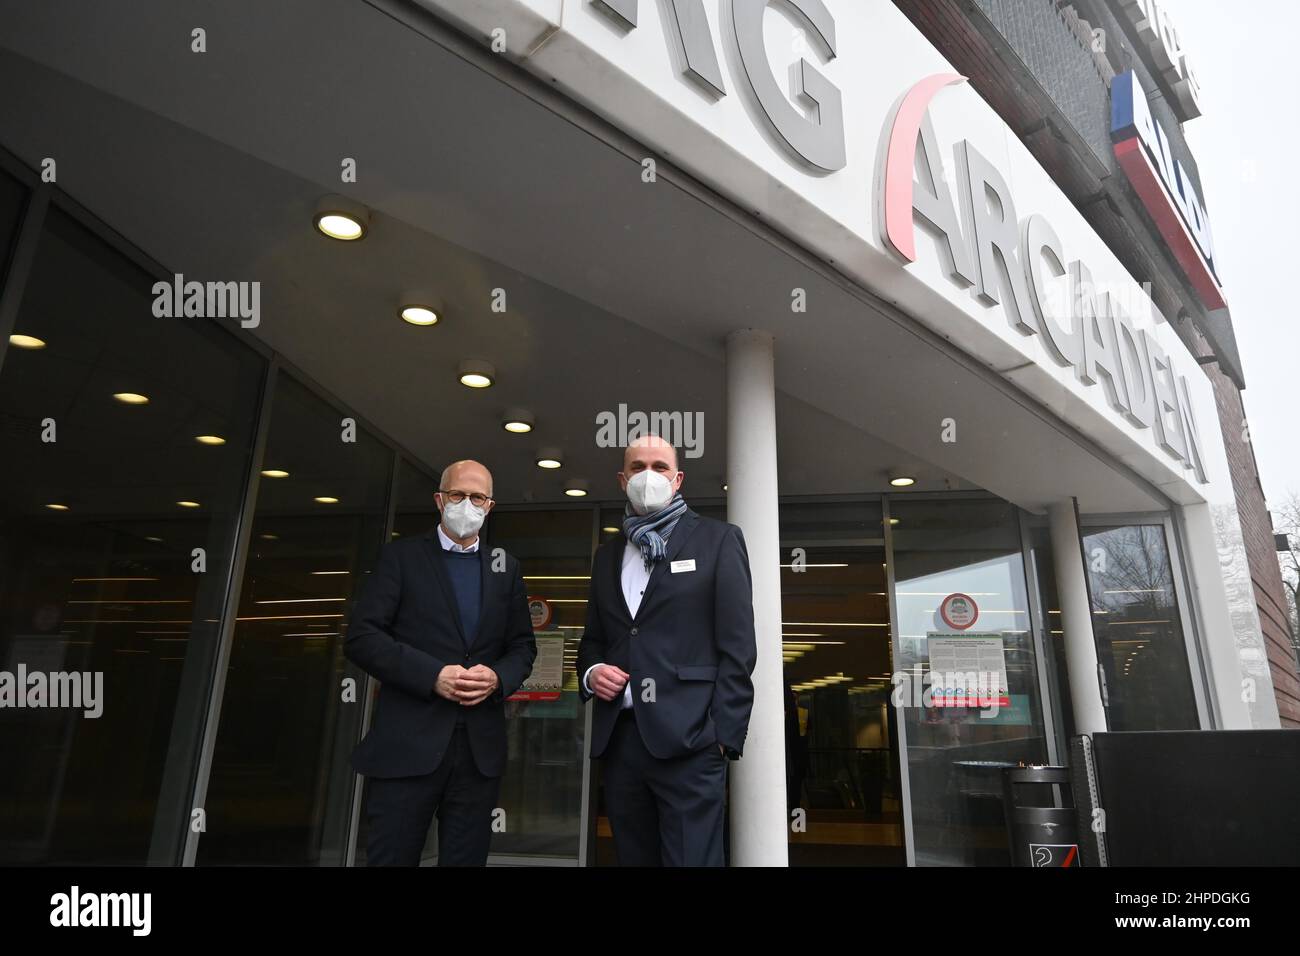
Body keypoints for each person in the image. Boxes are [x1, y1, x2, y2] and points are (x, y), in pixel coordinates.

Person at [577, 434, 757, 866]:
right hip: (622, 741)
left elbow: (738, 646)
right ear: (622, 479)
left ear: (678, 480)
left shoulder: (719, 540)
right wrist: (592, 672)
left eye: (659, 467)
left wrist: (722, 737)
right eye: (637, 467)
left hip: (692, 742)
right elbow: (593, 641)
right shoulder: (607, 556)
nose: (648, 476)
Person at [345, 459, 536, 865]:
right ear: (439, 499)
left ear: (490, 505)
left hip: (477, 753)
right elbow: (362, 637)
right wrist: (431, 675)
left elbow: (522, 647)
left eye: (477, 497)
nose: (467, 504)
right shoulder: (401, 558)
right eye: (457, 495)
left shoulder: (506, 568)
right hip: (407, 747)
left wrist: (497, 678)